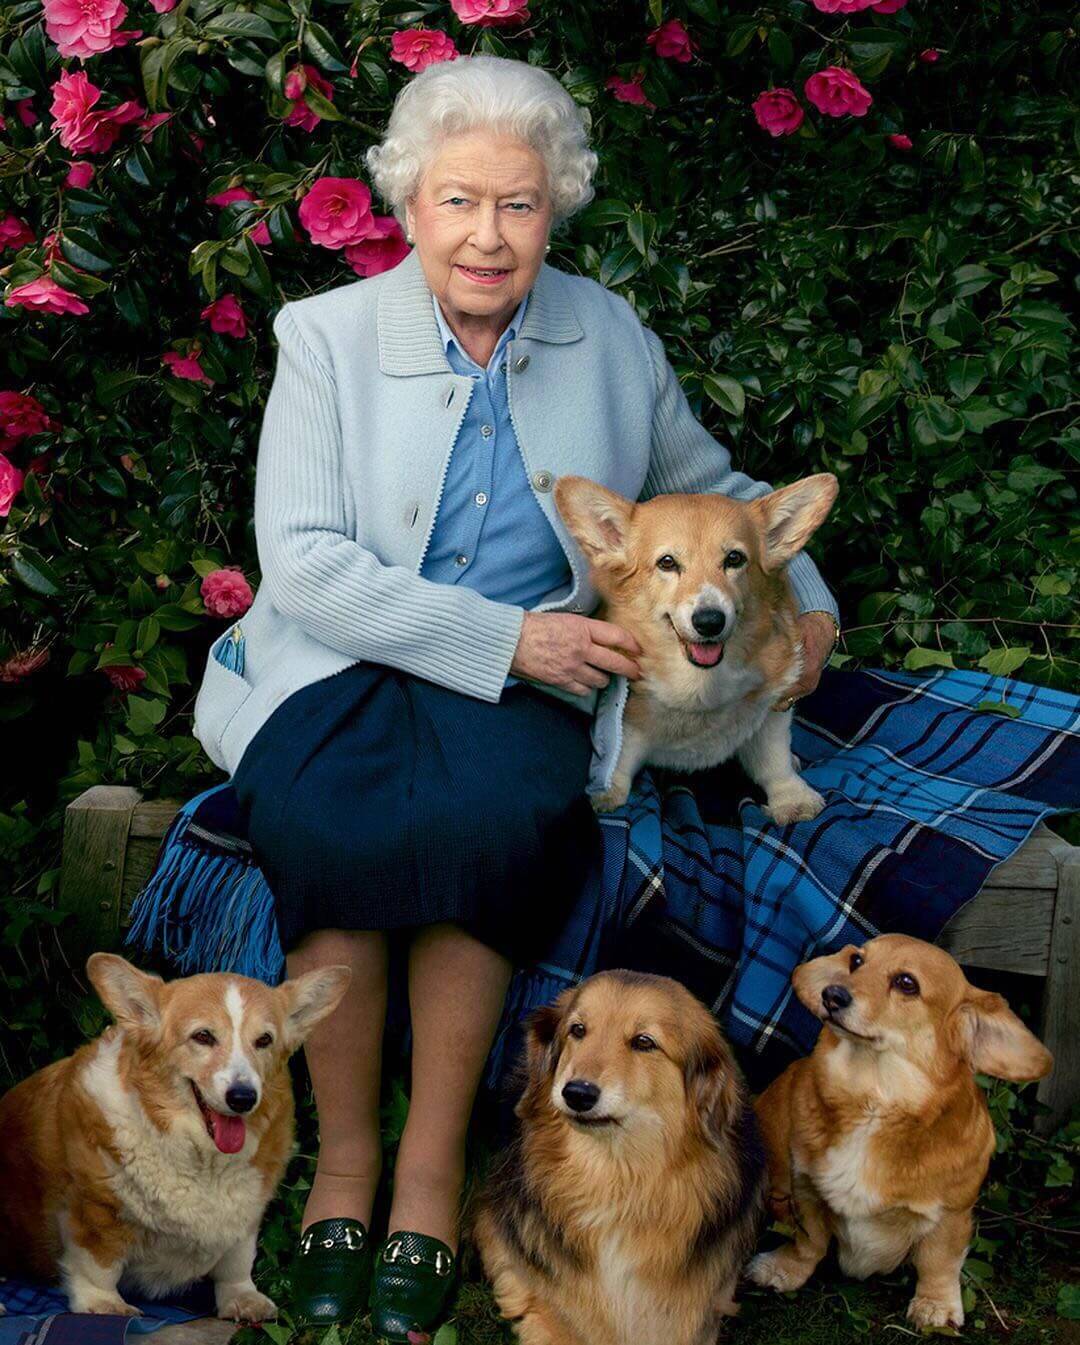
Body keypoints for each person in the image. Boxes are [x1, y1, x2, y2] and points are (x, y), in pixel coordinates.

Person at [191, 53, 839, 1341]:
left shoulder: (604, 334)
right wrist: (510, 639)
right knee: (330, 828)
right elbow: (308, 567)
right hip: (345, 661)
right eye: (459, 202)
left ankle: (428, 1182)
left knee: (495, 828)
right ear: (409, 204)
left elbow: (707, 479)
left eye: (521, 205)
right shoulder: (325, 340)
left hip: (529, 684)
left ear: (558, 208)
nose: (489, 236)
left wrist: (807, 595)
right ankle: (342, 1172)